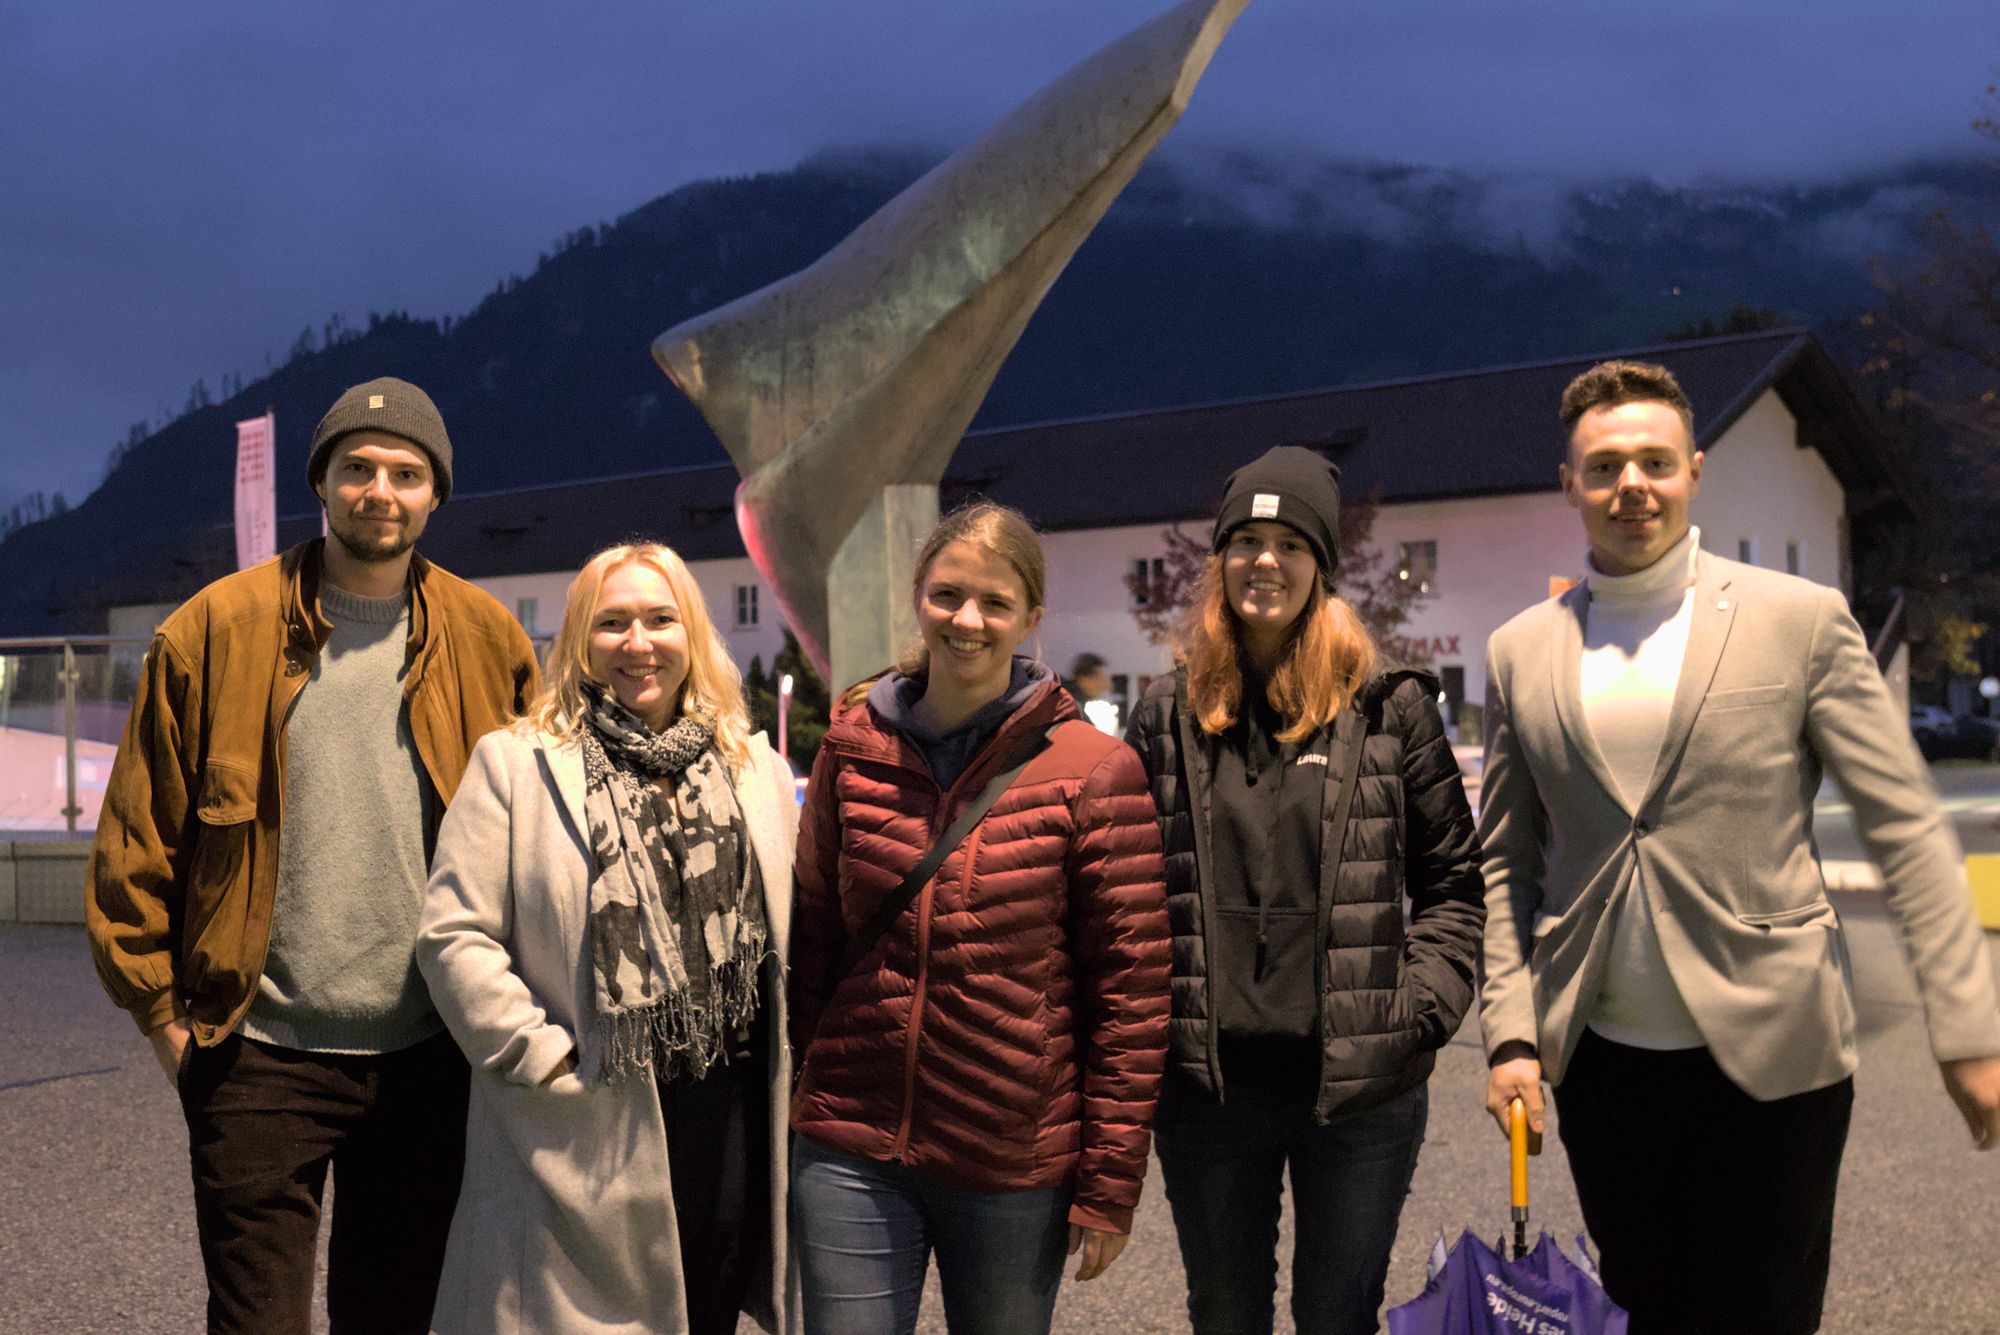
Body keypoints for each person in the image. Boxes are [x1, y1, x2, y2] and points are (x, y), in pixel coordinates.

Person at [1478, 360, 2000, 1334]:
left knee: (1762, 1312)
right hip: (1603, 1066)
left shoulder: (1794, 622)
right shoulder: (1519, 650)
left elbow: (1901, 825)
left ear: (1691, 470)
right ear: (1569, 484)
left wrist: (1965, 1027)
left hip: (1774, 1064)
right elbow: (1503, 860)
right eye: (1603, 466)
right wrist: (1509, 1034)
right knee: (1641, 1306)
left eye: (1651, 461)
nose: (1628, 483)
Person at [85, 376, 540, 1334]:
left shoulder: (486, 639)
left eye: (406, 473)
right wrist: (170, 1026)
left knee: (396, 1312)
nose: (381, 489)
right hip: (257, 1053)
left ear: (435, 494)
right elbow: (136, 845)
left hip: (426, 1053)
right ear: (322, 483)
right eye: (358, 468)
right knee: (257, 1322)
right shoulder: (214, 631)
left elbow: (537, 842)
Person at [1125, 445, 1486, 1335]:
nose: (1265, 561)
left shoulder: (1389, 710)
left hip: (1359, 1091)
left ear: (1320, 563)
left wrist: (1417, 1012)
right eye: (1245, 538)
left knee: (1337, 1314)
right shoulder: (1164, 717)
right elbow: (1121, 894)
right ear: (1220, 560)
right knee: (1225, 1312)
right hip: (1210, 1091)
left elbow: (1454, 885)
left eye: (1290, 542)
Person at [787, 502, 1170, 1335]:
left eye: (995, 602)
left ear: (1032, 617)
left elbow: (1131, 993)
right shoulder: (853, 747)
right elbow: (814, 932)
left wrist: (1108, 1180)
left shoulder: (1093, 771)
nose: (968, 620)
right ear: (919, 597)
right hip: (851, 1144)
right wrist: (812, 1080)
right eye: (948, 594)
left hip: (1010, 1160)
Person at [417, 542, 800, 1335]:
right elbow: (454, 934)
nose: (638, 642)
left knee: (707, 1301)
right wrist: (538, 1055)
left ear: (691, 631)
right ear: (579, 642)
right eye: (612, 622)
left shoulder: (749, 767)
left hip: (724, 1108)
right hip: (586, 1111)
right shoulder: (517, 765)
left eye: (660, 619)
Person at [1064, 650, 1121, 735]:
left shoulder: (1068, 701)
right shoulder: (1072, 708)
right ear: (1084, 680)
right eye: (1102, 679)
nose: (1108, 686)